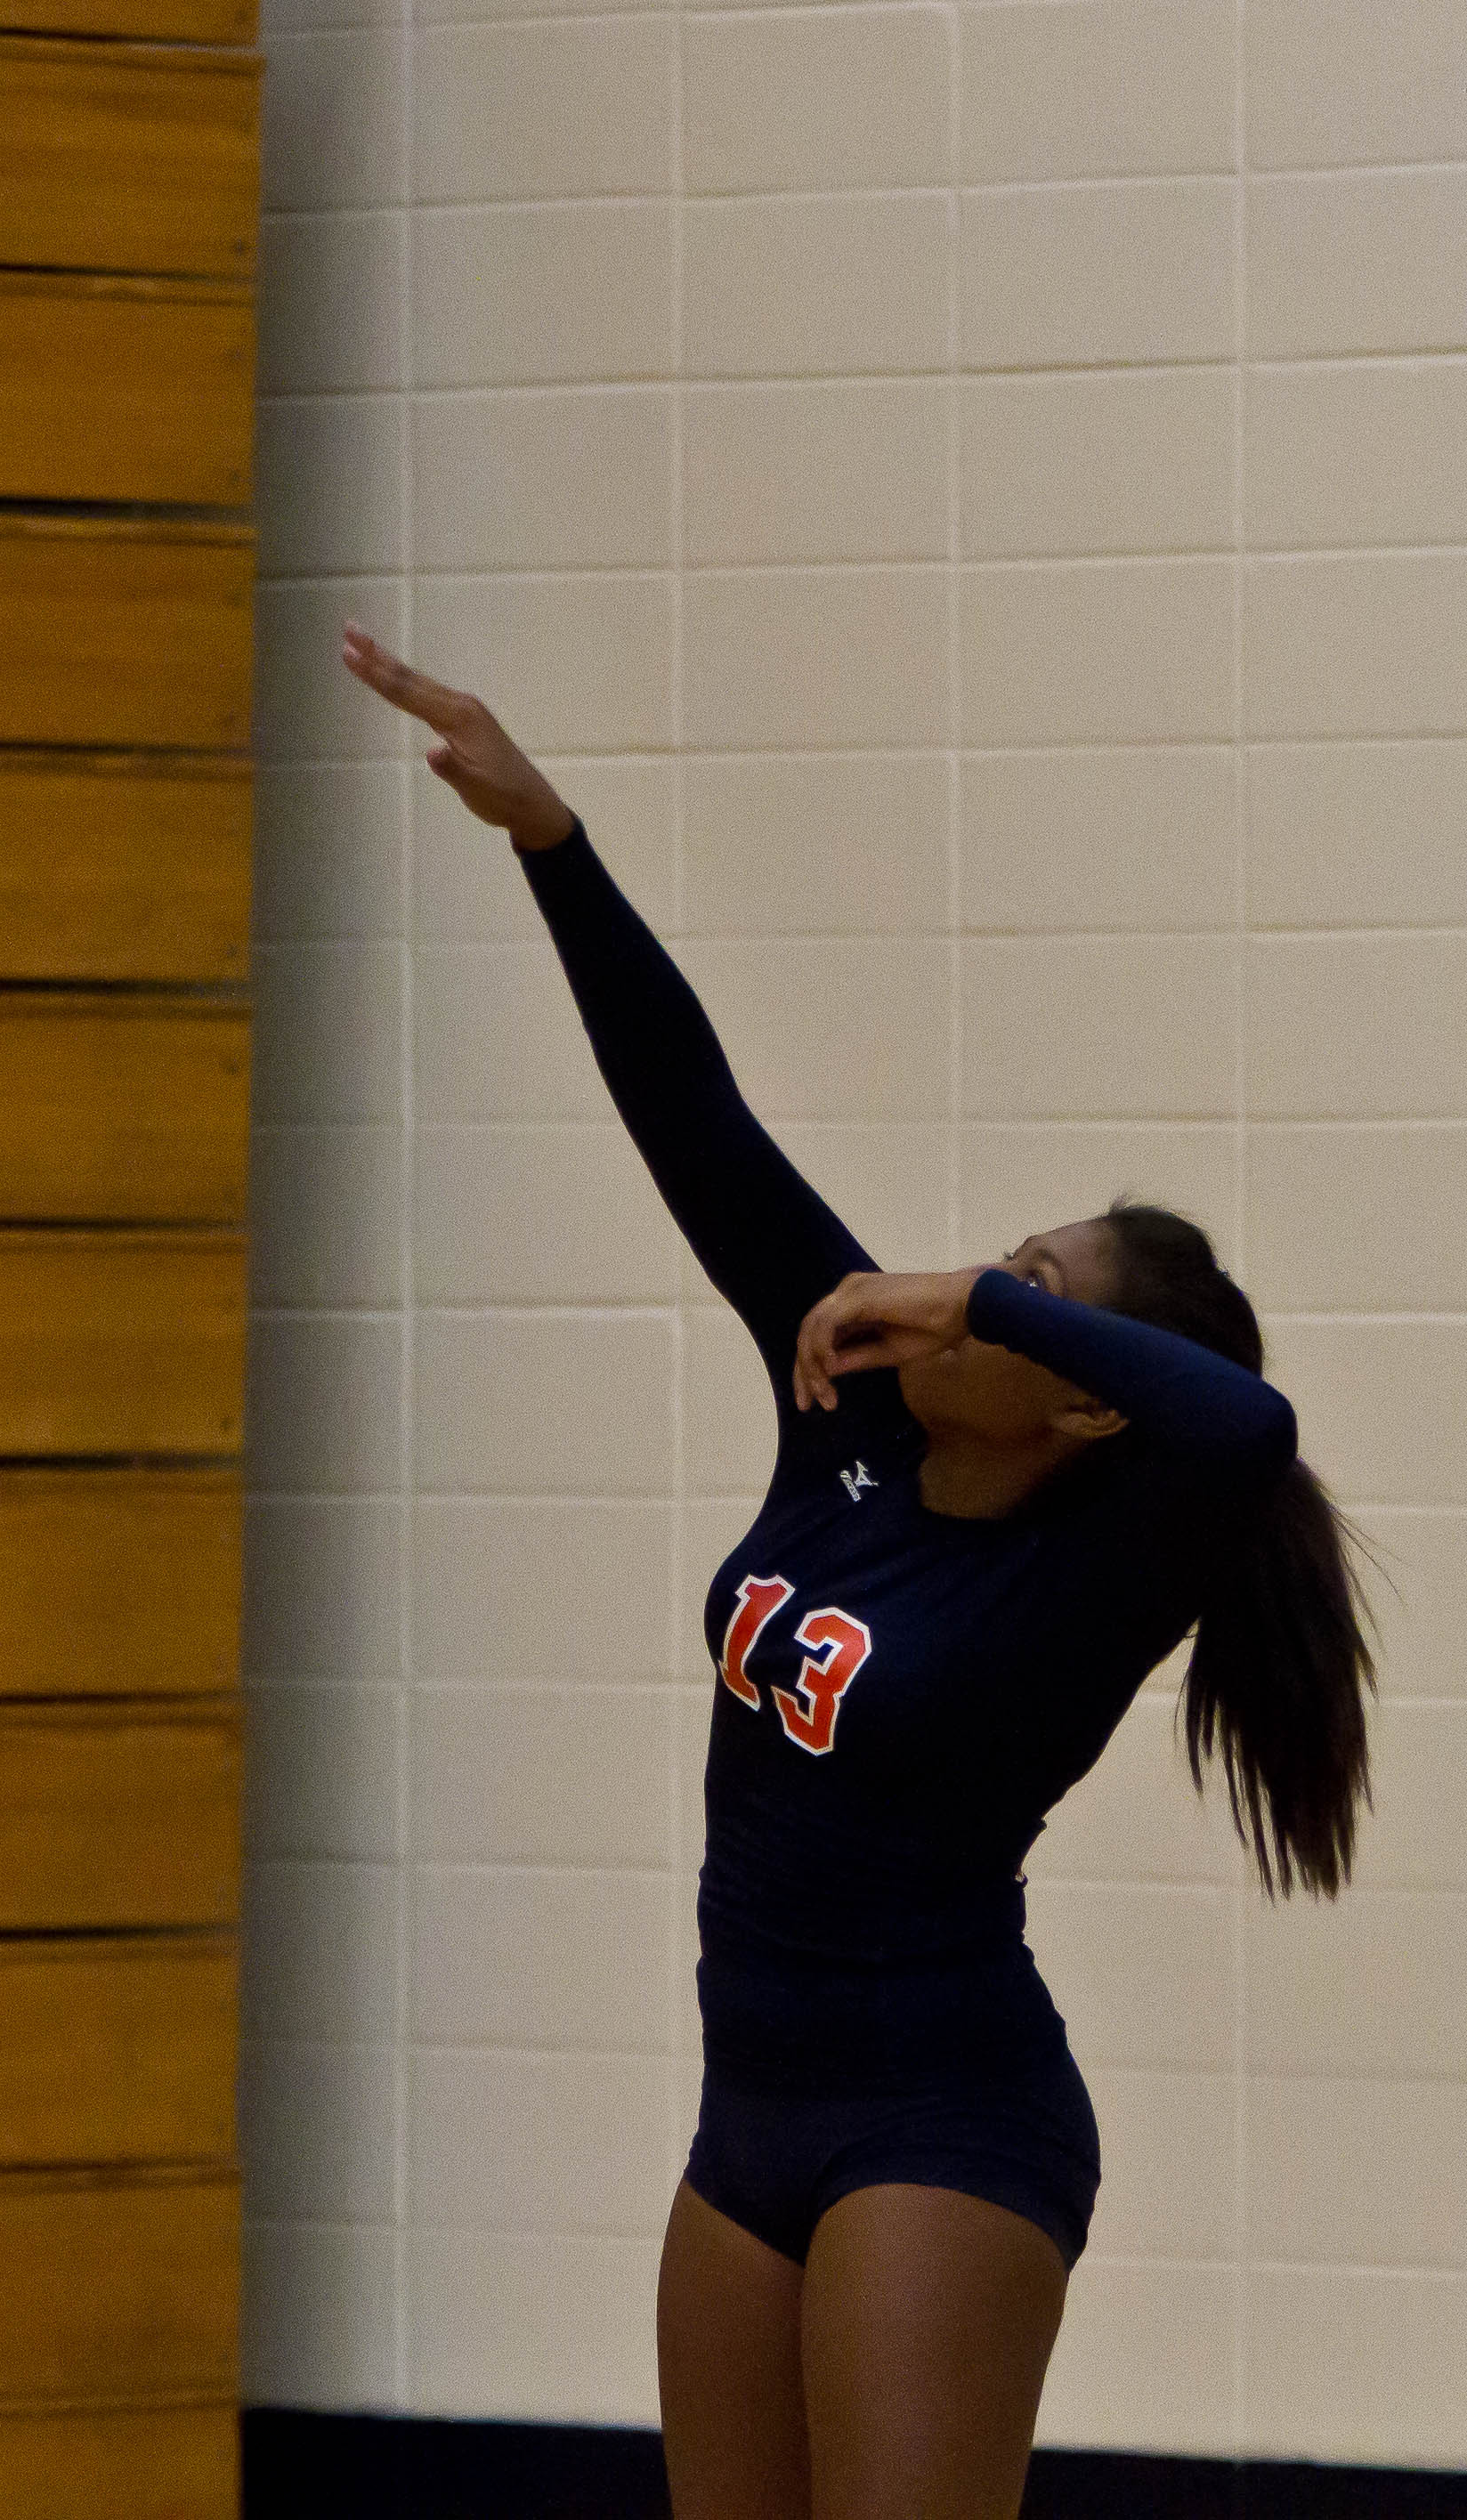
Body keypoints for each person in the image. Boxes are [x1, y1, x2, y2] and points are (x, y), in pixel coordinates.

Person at [339, 626, 1377, 2520]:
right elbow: (696, 1123)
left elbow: (1250, 1433)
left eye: (1029, 1290)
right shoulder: (844, 1406)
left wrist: (974, 1294)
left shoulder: (1097, 1569)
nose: (950, 1285)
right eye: (994, 1254)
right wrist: (547, 834)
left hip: (943, 2125)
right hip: (751, 2120)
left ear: (1084, 1409)